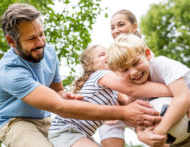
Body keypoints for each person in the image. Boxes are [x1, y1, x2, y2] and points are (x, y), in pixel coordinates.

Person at [0, 3, 163, 147]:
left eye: (41, 34)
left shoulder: (48, 53)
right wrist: (123, 112)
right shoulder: (10, 72)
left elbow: (58, 91)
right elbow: (60, 107)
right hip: (13, 122)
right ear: (11, 41)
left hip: (46, 119)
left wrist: (66, 95)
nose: (40, 42)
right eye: (31, 39)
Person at [48, 45, 171, 147]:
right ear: (90, 65)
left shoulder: (114, 92)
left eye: (109, 53)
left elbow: (128, 101)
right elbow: (133, 89)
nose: (108, 56)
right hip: (65, 130)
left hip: (82, 134)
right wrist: (173, 90)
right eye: (102, 55)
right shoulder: (101, 74)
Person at [108, 33, 190, 147]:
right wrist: (141, 135)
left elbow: (183, 97)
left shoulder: (161, 65)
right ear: (118, 73)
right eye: (124, 70)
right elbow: (139, 123)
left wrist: (159, 131)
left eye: (136, 63)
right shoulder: (132, 92)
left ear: (147, 54)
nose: (133, 72)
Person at [98, 9, 145, 147]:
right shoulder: (110, 56)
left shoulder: (144, 52)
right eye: (112, 27)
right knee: (107, 124)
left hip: (141, 103)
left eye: (121, 25)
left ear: (134, 26)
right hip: (119, 108)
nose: (116, 30)